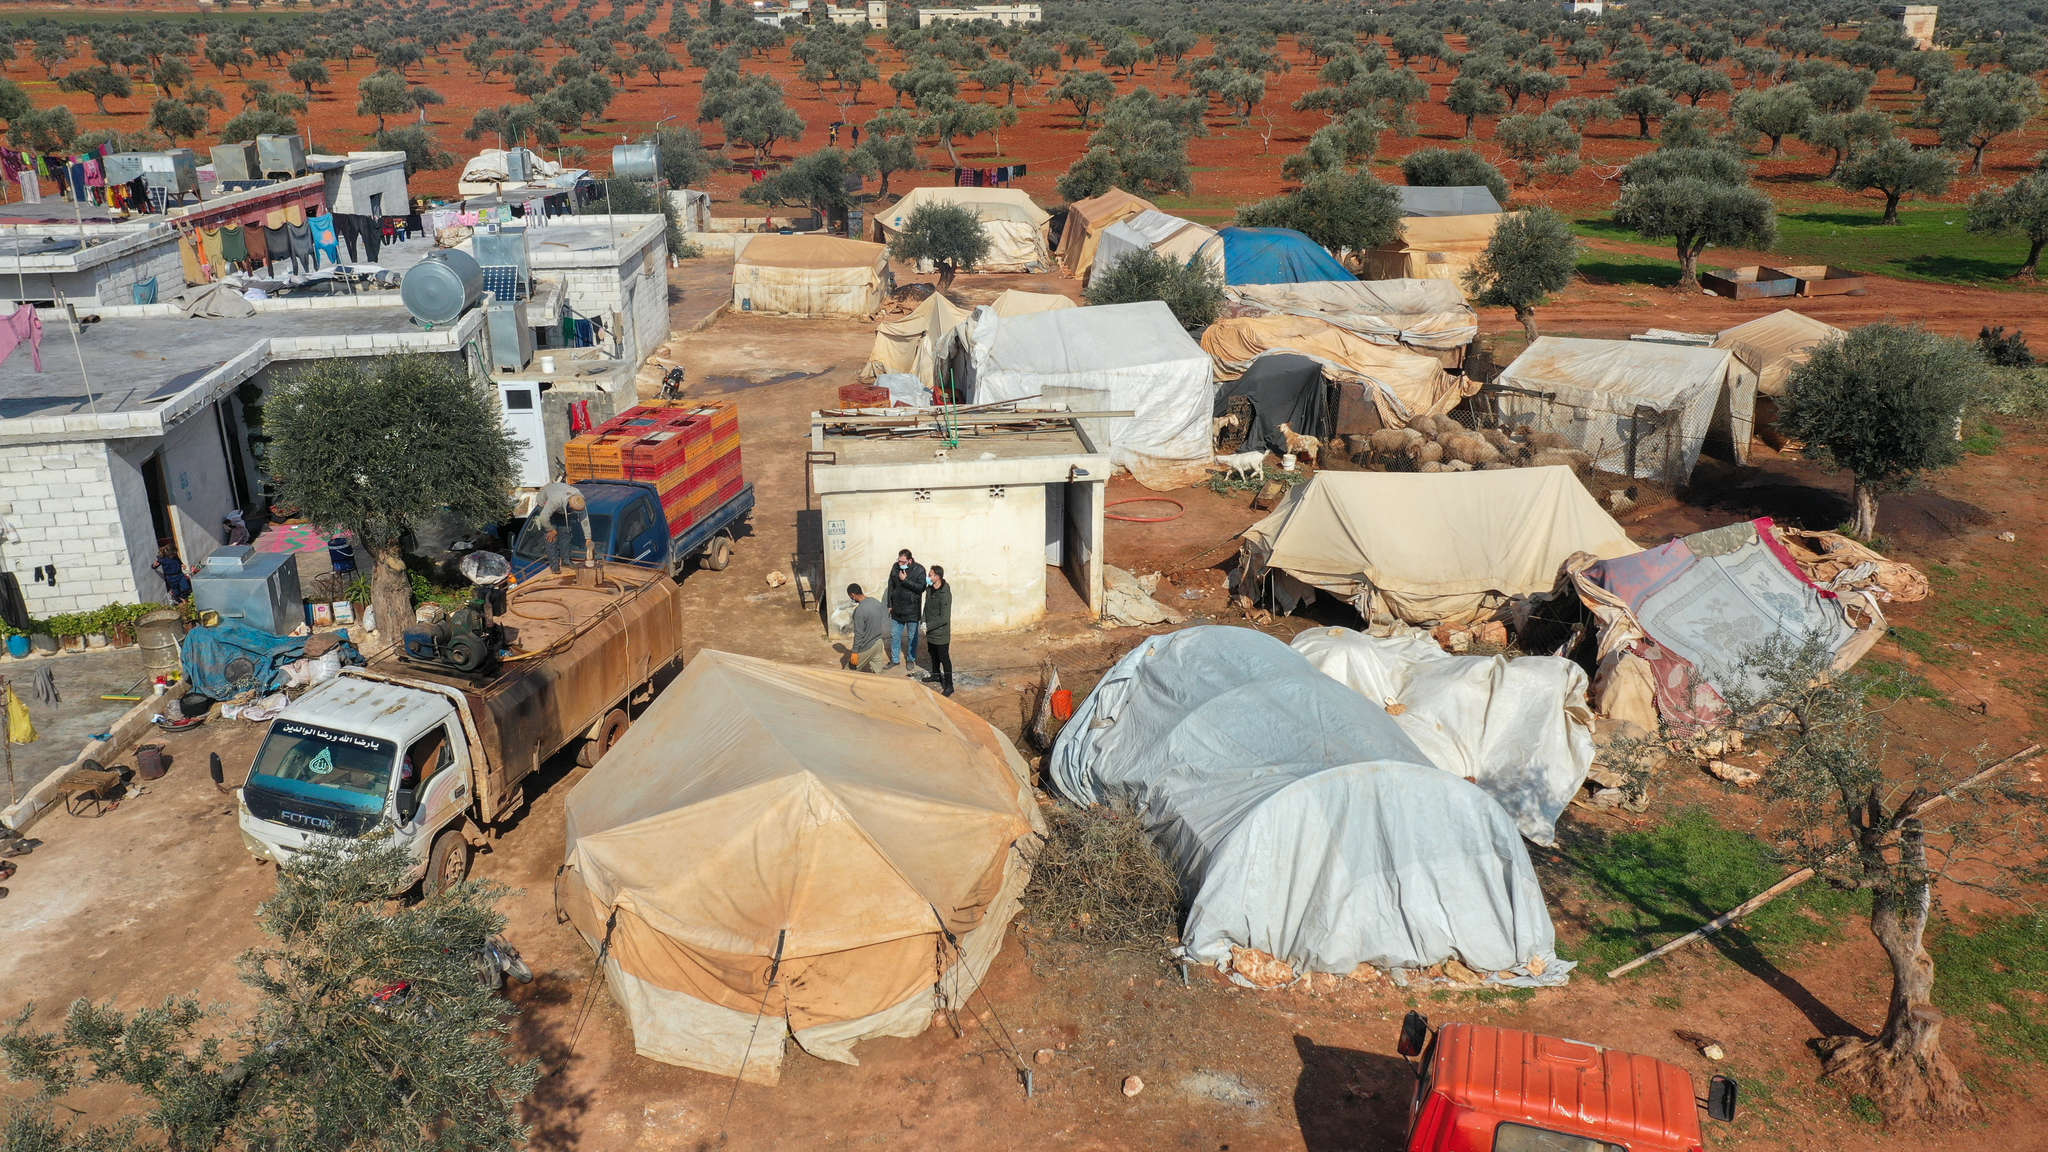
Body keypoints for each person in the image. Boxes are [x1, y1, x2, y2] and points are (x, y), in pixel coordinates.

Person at [532, 481, 591, 574]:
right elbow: (543, 517)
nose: (576, 513)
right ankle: (554, 566)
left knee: (566, 532)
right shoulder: (556, 500)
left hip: (562, 508)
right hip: (545, 505)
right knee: (551, 538)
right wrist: (551, 529)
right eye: (574, 510)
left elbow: (584, 519)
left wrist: (588, 537)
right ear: (570, 505)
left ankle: (566, 561)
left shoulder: (580, 499)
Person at [884, 549, 927, 672]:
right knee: (894, 635)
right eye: (898, 561)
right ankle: (895, 660)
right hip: (897, 609)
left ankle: (910, 659)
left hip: (912, 610)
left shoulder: (919, 570)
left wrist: (905, 580)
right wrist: (889, 604)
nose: (900, 563)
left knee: (912, 637)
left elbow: (921, 588)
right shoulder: (895, 567)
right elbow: (891, 585)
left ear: (910, 560)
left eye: (902, 561)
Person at [922, 565, 953, 696]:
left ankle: (949, 685)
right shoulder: (929, 589)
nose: (928, 577)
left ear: (937, 577)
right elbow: (926, 607)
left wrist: (928, 626)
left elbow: (944, 618)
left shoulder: (945, 594)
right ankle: (936, 675)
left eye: (930, 575)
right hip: (930, 632)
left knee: (944, 658)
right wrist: (923, 621)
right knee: (933, 654)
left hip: (941, 633)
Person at [846, 583, 887, 672]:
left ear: (852, 595)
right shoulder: (875, 601)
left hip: (867, 646)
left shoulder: (859, 610)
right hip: (879, 643)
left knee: (848, 672)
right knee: (878, 674)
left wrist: (855, 652)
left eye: (850, 597)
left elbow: (859, 634)